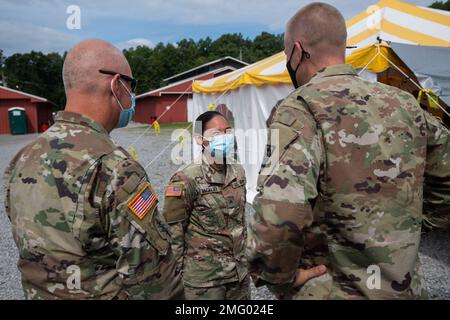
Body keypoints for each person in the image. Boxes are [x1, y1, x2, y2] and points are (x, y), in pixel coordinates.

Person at [247, 2, 450, 300]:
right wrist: (412, 228)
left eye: (286, 55)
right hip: (406, 289)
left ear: (297, 51)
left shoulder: (299, 109)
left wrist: (279, 278)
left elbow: (279, 211)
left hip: (333, 290)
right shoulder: (406, 104)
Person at [3, 39, 182, 300]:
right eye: (131, 87)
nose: (132, 96)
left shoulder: (22, 158)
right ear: (116, 84)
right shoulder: (114, 167)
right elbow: (155, 282)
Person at [162, 111, 249, 300]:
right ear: (200, 139)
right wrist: (174, 282)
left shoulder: (238, 172)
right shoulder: (186, 178)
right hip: (204, 282)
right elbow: (173, 232)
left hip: (239, 275)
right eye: (217, 134)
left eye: (228, 132)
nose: (225, 138)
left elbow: (240, 222)